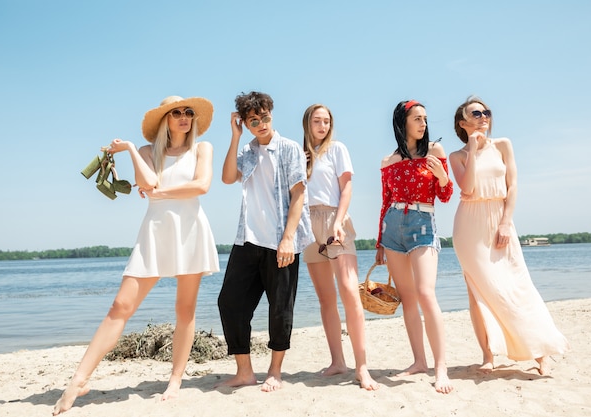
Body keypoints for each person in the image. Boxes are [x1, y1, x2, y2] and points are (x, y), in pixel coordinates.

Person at [53, 95, 220, 414]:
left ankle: (175, 379)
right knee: (120, 305)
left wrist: (162, 193)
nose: (184, 117)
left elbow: (202, 186)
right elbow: (149, 182)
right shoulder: (146, 152)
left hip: (190, 230)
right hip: (155, 230)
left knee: (184, 310)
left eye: (188, 112)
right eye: (176, 113)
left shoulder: (203, 148)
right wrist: (130, 148)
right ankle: (78, 380)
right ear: (165, 120)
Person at [449, 96, 569, 375]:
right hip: (469, 225)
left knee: (517, 285)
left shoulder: (503, 145)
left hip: (499, 219)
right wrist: (474, 151)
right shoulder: (458, 156)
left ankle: (541, 353)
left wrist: (505, 222)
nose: (484, 117)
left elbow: (512, 186)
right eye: (476, 113)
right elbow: (467, 189)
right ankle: (488, 355)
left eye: (486, 112)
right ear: (463, 122)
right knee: (478, 292)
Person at [217, 91, 312, 392]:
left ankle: (275, 372)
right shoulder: (247, 150)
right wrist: (234, 138)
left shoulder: (289, 148)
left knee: (280, 308)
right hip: (247, 239)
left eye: (265, 117)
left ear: (272, 113)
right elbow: (227, 177)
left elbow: (299, 195)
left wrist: (288, 239)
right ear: (246, 122)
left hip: (279, 241)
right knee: (230, 303)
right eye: (254, 120)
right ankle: (245, 371)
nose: (261, 124)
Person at [375, 100, 454, 394]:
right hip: (393, 228)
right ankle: (419, 361)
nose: (422, 123)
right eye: (416, 119)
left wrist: (442, 175)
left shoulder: (435, 151)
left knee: (425, 293)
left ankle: (440, 366)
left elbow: (445, 194)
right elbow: (385, 201)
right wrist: (379, 241)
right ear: (403, 123)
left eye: (424, 119)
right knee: (408, 298)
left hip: (423, 223)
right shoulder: (388, 161)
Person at [301, 104, 379, 391]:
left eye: (326, 121)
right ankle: (338, 362)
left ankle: (362, 367)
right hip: (308, 224)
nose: (322, 126)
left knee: (349, 292)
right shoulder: (302, 155)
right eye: (316, 121)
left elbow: (346, 187)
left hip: (335, 220)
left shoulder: (337, 149)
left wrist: (337, 221)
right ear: (307, 123)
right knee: (325, 299)